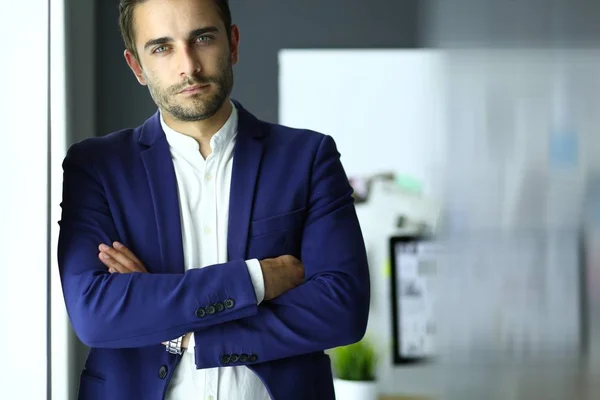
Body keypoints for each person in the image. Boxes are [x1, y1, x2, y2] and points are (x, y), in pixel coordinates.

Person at [57, 0, 370, 399]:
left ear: (233, 43)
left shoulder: (307, 158)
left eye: (202, 38)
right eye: (161, 47)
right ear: (137, 66)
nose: (188, 65)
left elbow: (342, 309)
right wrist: (255, 280)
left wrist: (183, 332)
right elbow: (95, 315)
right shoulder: (97, 166)